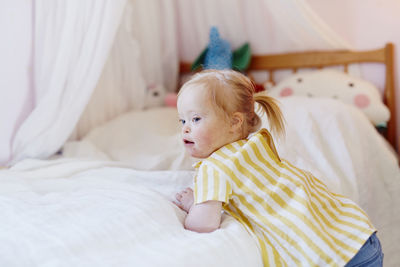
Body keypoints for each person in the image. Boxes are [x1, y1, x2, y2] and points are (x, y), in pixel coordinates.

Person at [174, 69, 383, 267]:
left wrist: (195, 203)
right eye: (182, 120)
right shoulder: (258, 145)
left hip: (331, 258)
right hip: (358, 235)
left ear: (234, 122)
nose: (186, 128)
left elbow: (204, 225)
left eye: (196, 119)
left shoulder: (213, 167)